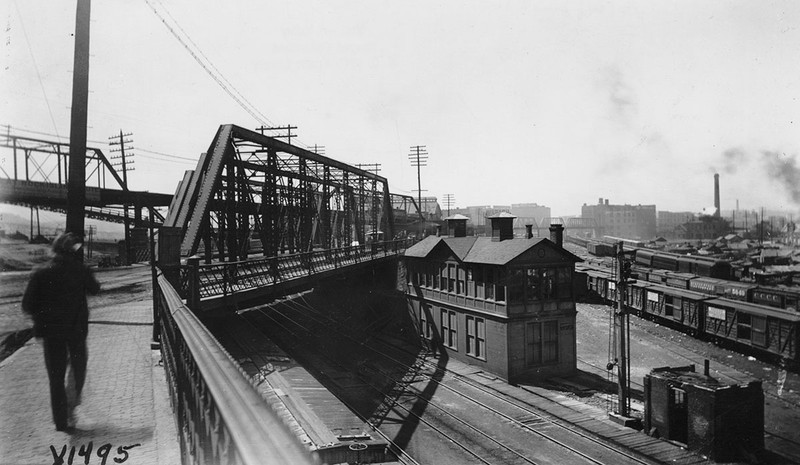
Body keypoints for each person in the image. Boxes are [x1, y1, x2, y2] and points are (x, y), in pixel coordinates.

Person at [21, 232, 100, 431]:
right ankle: (71, 406)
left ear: (54, 249)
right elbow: (95, 289)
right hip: (76, 330)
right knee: (78, 369)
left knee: (55, 377)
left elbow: (27, 305)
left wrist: (43, 315)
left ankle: (60, 422)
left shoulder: (40, 272)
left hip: (51, 333)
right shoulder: (80, 269)